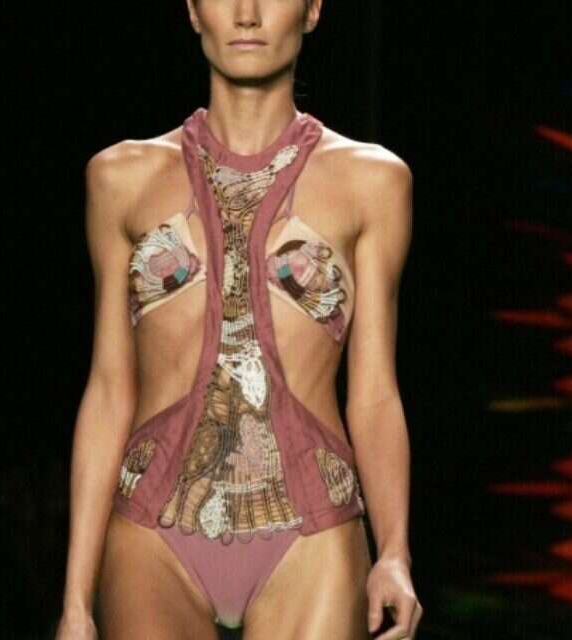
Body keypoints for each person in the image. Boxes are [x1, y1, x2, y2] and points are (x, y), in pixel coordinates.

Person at [55, 1, 420, 638]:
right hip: (151, 535)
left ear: (312, 9)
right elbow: (110, 389)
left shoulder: (373, 183)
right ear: (193, 10)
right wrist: (75, 604)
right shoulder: (119, 179)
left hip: (313, 533)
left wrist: (394, 552)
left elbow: (374, 392)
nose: (247, 14)